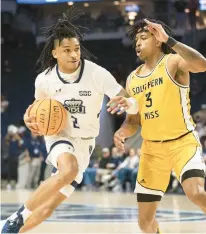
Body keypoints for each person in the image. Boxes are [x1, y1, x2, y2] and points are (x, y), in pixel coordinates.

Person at [1, 8, 138, 233]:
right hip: (59, 136)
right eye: (67, 50)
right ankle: (19, 216)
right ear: (55, 53)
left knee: (47, 208)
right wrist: (31, 119)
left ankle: (11, 231)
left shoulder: (96, 73)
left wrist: (128, 103)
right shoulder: (44, 80)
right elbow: (37, 111)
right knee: (68, 169)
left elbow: (129, 101)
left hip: (86, 143)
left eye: (76, 49)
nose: (74, 54)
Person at [113, 19, 206, 233]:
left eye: (143, 38)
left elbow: (202, 65)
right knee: (145, 223)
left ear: (158, 40)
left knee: (196, 193)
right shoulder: (132, 79)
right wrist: (121, 131)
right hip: (152, 151)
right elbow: (133, 121)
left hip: (182, 142)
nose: (137, 43)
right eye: (136, 40)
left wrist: (171, 41)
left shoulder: (173, 62)